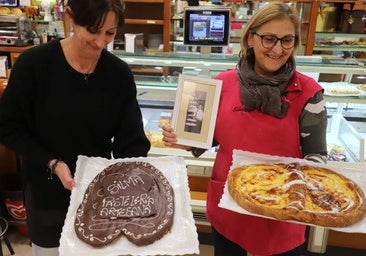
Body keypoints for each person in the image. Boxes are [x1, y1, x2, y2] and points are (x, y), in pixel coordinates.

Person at [162, 2, 327, 256]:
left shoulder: (308, 93)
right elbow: (211, 137)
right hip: (229, 210)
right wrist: (184, 138)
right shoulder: (223, 84)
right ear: (251, 38)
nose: (277, 49)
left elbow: (316, 158)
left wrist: (294, 190)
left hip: (281, 217)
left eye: (287, 40)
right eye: (269, 39)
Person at [0, 0, 150, 255]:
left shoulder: (118, 74)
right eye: (93, 30)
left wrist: (130, 184)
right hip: (46, 193)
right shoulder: (33, 65)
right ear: (70, 17)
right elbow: (7, 127)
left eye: (110, 33)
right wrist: (53, 163)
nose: (101, 42)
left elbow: (132, 141)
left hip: (98, 198)